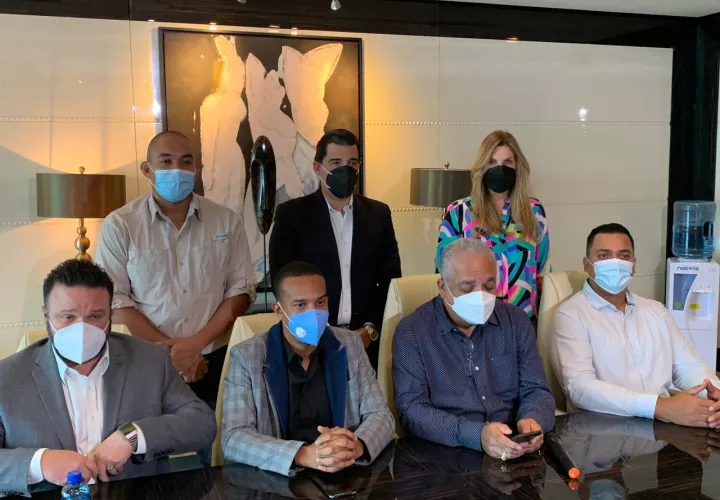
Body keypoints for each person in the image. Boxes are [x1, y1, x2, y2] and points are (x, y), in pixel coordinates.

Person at [0, 259, 216, 497]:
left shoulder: (151, 361)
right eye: (68, 317)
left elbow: (202, 424)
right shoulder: (7, 377)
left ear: (111, 314)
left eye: (95, 316)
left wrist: (134, 436)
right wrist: (40, 463)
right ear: (46, 315)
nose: (82, 330)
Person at [96, 131, 256, 408]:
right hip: (145, 361)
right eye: (166, 161)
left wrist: (194, 346)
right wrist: (174, 352)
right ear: (147, 170)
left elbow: (241, 291)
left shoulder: (226, 221)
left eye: (185, 162)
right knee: (149, 434)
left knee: (216, 433)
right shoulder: (120, 225)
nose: (177, 169)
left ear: (196, 169)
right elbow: (113, 300)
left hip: (214, 361)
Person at [221, 261, 394, 476]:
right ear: (279, 310)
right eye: (301, 304)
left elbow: (380, 415)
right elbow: (233, 438)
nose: (314, 313)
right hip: (279, 477)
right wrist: (303, 455)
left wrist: (354, 446)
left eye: (320, 302)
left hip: (344, 470)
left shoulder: (349, 344)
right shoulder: (247, 356)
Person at [393, 238, 555, 460]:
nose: (481, 296)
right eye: (468, 288)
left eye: (489, 286)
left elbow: (537, 389)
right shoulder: (412, 332)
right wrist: (477, 435)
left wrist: (533, 419)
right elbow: (411, 410)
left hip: (514, 444)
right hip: (445, 454)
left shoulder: (515, 321)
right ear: (443, 287)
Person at [550, 223, 720, 428]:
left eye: (623, 256)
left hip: (665, 429)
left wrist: (715, 394)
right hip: (604, 433)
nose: (615, 263)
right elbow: (580, 388)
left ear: (633, 264)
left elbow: (688, 367)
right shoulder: (571, 315)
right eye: (604, 255)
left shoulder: (656, 311)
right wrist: (659, 406)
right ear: (587, 265)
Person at [269, 129, 402, 369]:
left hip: (365, 343)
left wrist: (370, 330)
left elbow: (390, 280)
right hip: (309, 342)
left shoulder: (378, 214)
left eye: (352, 163)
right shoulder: (292, 216)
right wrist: (317, 332)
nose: (345, 170)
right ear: (317, 168)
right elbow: (283, 282)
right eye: (336, 163)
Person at [436, 130, 550, 325]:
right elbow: (446, 275)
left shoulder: (534, 211)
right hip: (473, 323)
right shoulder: (458, 213)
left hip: (522, 322)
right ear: (482, 167)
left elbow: (542, 272)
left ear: (517, 166)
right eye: (492, 162)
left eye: (507, 162)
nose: (500, 169)